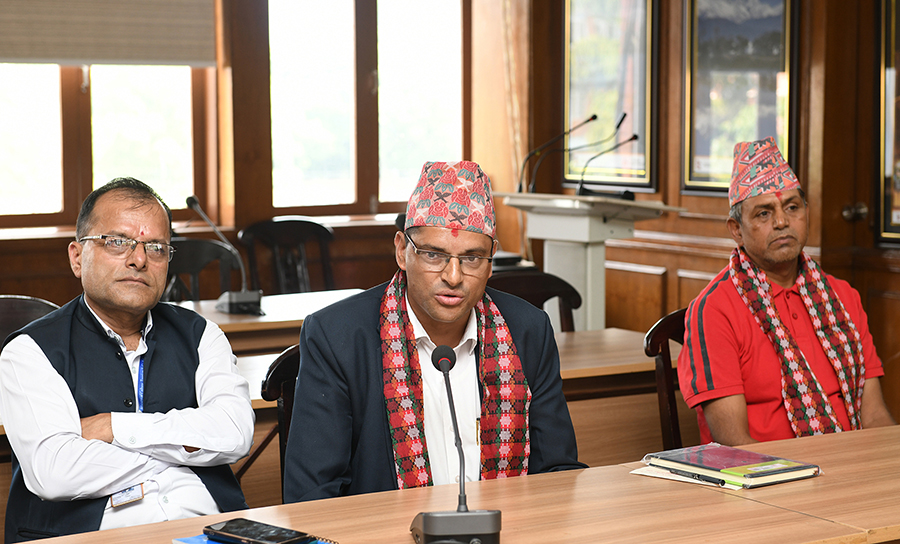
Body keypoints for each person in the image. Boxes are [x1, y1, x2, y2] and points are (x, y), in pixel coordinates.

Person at [282, 161, 586, 502]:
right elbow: (312, 496)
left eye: (472, 258)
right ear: (402, 251)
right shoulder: (336, 336)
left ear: (491, 260)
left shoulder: (528, 329)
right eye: (433, 255)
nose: (453, 277)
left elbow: (558, 471)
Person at [0, 178, 255, 542]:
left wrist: (114, 428)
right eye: (117, 242)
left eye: (156, 247)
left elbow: (235, 434)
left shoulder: (201, 335)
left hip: (212, 531)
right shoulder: (30, 350)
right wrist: (182, 449)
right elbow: (54, 472)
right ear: (77, 257)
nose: (139, 259)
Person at [678, 137, 895, 446]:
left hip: (850, 464)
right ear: (736, 230)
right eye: (763, 213)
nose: (782, 221)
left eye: (792, 207)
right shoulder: (714, 310)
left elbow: (874, 417)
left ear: (806, 212)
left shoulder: (843, 296)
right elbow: (733, 442)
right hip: (763, 471)